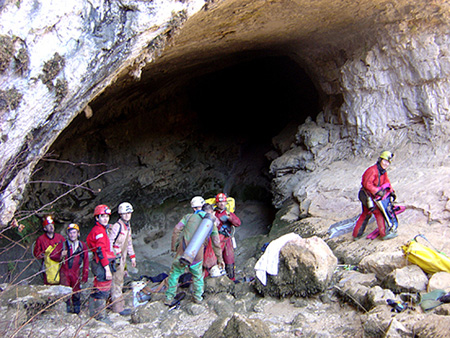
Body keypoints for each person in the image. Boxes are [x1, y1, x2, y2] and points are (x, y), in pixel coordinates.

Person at [164, 196, 224, 305]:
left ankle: (169, 298)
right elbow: (216, 242)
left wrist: (175, 246)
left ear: (193, 208)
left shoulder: (187, 217)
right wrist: (220, 259)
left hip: (182, 251)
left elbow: (177, 229)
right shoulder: (211, 223)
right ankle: (197, 298)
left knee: (175, 273)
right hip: (197, 254)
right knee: (197, 275)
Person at [352, 151, 397, 240]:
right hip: (366, 195)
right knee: (378, 212)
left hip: (370, 195)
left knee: (366, 213)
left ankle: (357, 234)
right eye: (384, 161)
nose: (386, 164)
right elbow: (367, 184)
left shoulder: (383, 172)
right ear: (380, 160)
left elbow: (386, 182)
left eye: (388, 162)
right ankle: (384, 234)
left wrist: (391, 191)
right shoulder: (373, 170)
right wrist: (377, 191)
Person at [86, 204, 116, 324]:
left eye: (107, 216)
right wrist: (107, 269)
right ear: (97, 218)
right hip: (102, 263)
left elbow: (89, 240)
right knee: (103, 289)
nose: (105, 219)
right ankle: (101, 316)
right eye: (102, 216)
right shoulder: (99, 231)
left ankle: (93, 313)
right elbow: (101, 251)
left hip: (99, 261)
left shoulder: (99, 230)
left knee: (97, 287)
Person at [108, 202, 137, 316]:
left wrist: (133, 257)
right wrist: (113, 256)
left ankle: (112, 303)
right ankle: (117, 307)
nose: (127, 215)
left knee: (120, 279)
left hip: (122, 257)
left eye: (129, 213)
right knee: (117, 281)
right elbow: (110, 241)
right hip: (117, 257)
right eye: (125, 213)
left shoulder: (127, 226)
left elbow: (129, 243)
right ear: (120, 214)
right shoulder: (118, 226)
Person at [56, 223, 89, 314]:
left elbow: (86, 261)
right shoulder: (63, 245)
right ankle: (66, 311)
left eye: (74, 233)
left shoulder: (82, 245)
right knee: (65, 292)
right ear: (67, 234)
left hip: (76, 272)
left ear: (78, 233)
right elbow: (52, 256)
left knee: (76, 291)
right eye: (70, 233)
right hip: (65, 272)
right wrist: (60, 255)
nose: (72, 235)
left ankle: (76, 311)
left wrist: (85, 275)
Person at [210, 193, 241, 281]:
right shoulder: (213, 214)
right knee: (214, 258)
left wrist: (230, 218)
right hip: (216, 239)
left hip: (227, 239)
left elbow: (238, 223)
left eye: (223, 202)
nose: (222, 204)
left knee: (229, 259)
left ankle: (232, 279)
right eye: (220, 202)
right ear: (216, 203)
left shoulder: (228, 213)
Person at [33, 215, 65, 285]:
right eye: (49, 226)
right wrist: (44, 255)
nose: (51, 227)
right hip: (47, 265)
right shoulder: (41, 239)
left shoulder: (60, 237)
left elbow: (66, 248)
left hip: (59, 264)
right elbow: (36, 253)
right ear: (45, 228)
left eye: (52, 225)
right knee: (48, 283)